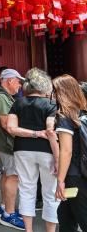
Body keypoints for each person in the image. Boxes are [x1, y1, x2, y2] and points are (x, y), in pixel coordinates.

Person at [6, 68, 58, 232]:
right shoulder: (51, 104)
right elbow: (50, 130)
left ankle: (29, 230)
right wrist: (58, 158)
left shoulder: (18, 103)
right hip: (47, 151)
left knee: (27, 189)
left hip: (22, 149)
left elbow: (11, 128)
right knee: (50, 192)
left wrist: (33, 133)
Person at [0, 68, 26, 230]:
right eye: (19, 81)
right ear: (10, 80)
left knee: (7, 174)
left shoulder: (0, 95)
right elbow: (6, 124)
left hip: (3, 143)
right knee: (13, 177)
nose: (20, 86)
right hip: (9, 143)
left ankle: (4, 207)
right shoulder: (1, 97)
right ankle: (8, 215)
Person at [54, 75, 87, 231]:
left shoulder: (64, 116)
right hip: (82, 169)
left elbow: (66, 151)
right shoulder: (82, 112)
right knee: (65, 214)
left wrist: (60, 180)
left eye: (54, 91)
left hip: (74, 174)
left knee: (82, 216)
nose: (52, 95)